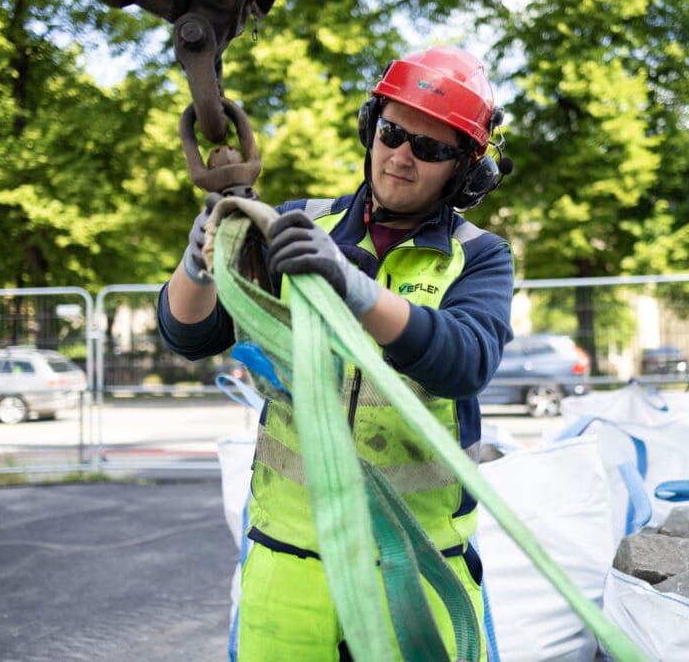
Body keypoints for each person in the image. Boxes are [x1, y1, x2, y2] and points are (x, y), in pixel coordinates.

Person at [158, 46, 515, 660]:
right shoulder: (301, 223)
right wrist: (198, 263)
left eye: (428, 148)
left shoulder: (478, 256)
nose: (400, 156)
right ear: (370, 125)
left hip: (418, 570)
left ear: (463, 169)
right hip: (288, 565)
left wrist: (356, 291)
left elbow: (466, 360)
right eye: (392, 131)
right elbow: (190, 335)